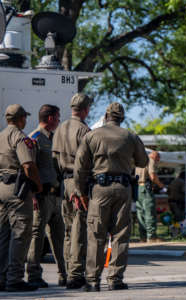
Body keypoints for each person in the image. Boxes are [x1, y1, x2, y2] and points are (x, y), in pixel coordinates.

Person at [74, 102, 148, 291]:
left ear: (106, 116)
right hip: (123, 188)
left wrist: (80, 192)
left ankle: (92, 280)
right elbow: (143, 160)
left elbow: (80, 167)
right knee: (120, 235)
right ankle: (115, 279)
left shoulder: (91, 135)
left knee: (96, 235)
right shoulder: (130, 136)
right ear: (121, 118)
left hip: (99, 189)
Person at [0, 104, 42, 292]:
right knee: (21, 234)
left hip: (1, 188)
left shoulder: (0, 136)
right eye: (24, 117)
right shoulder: (19, 136)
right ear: (21, 119)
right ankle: (14, 278)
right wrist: (38, 185)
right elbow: (28, 165)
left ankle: (2, 277)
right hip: (17, 190)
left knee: (3, 234)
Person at [52, 93, 92, 289]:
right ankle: (76, 274)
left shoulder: (60, 128)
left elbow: (54, 159)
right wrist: (80, 188)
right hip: (78, 182)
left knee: (68, 229)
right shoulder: (84, 130)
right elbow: (85, 162)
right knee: (79, 229)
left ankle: (68, 271)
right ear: (85, 109)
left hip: (64, 182)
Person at [26, 104, 67, 288]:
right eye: (57, 117)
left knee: (59, 237)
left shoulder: (53, 139)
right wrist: (32, 195)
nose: (59, 121)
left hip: (56, 196)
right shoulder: (34, 138)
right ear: (50, 118)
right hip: (41, 197)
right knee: (37, 237)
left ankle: (64, 274)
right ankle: (34, 274)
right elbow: (28, 167)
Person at [136, 151, 166, 243]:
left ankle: (143, 237)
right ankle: (152, 237)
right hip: (146, 188)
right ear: (155, 156)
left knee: (140, 213)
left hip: (138, 188)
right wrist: (161, 185)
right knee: (150, 212)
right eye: (158, 159)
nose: (157, 161)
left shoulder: (139, 161)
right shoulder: (150, 160)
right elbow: (152, 175)